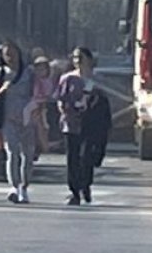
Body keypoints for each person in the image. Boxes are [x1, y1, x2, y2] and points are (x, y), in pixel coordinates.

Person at [0, 40, 34, 204]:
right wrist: (2, 89)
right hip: (8, 118)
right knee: (12, 153)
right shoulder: (0, 72)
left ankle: (24, 187)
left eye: (13, 53)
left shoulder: (28, 72)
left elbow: (37, 93)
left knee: (28, 154)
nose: (10, 57)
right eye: (7, 54)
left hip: (27, 118)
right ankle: (14, 187)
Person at [58, 47, 98, 205]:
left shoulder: (95, 79)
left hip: (91, 124)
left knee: (87, 156)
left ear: (89, 59)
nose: (78, 60)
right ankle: (74, 191)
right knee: (73, 157)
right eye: (75, 57)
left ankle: (85, 184)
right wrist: (68, 110)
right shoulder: (68, 79)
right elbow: (61, 99)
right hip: (72, 123)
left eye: (81, 57)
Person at [25, 55, 56, 158]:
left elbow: (47, 94)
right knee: (32, 125)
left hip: (41, 104)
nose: (40, 72)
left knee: (41, 126)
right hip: (33, 102)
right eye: (38, 69)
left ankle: (43, 146)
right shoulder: (32, 80)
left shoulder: (47, 81)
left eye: (43, 69)